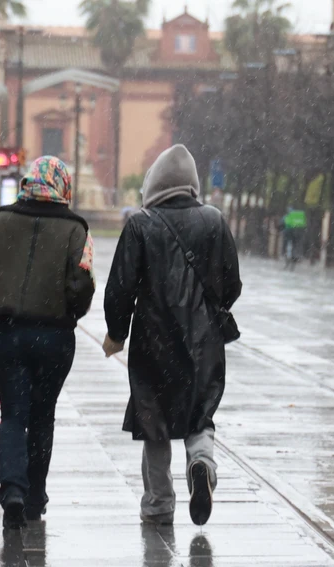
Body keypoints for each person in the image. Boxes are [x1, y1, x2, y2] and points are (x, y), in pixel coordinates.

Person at [102, 144, 242, 527]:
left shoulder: (139, 224)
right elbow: (232, 284)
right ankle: (201, 464)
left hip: (153, 339)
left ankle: (159, 503)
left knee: (155, 420)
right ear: (192, 184)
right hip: (205, 341)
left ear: (154, 184)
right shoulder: (214, 221)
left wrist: (116, 333)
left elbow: (120, 288)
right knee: (199, 414)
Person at [0, 156, 96, 529]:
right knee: (42, 416)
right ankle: (35, 496)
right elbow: (82, 284)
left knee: (13, 415)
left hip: (8, 334)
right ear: (62, 186)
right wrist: (71, 310)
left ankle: (13, 491)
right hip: (54, 337)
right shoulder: (76, 231)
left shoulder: (0, 222)